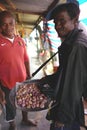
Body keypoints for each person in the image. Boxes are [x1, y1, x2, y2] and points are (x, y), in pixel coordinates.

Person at [39, 1, 87, 130]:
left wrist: (61, 119)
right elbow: (64, 74)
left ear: (75, 20)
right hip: (66, 107)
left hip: (68, 113)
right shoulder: (70, 42)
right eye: (55, 22)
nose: (57, 26)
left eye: (62, 21)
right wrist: (44, 80)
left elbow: (72, 89)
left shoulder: (77, 46)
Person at [0, 11, 37, 130]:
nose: (8, 27)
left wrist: (28, 74)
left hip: (22, 81)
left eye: (10, 23)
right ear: (0, 26)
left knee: (24, 102)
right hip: (6, 84)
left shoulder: (21, 40)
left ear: (15, 23)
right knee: (10, 107)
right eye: (4, 24)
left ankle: (25, 119)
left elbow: (26, 59)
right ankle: (12, 125)